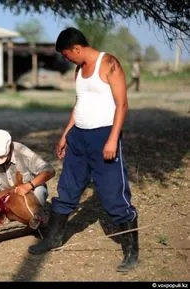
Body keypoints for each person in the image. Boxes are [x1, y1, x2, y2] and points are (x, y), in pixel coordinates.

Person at [28, 27, 139, 272]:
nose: (67, 60)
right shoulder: (79, 70)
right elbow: (80, 103)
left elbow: (122, 105)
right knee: (67, 187)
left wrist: (112, 139)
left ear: (77, 48)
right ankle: (53, 239)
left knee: (113, 195)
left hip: (103, 136)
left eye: (67, 55)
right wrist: (66, 134)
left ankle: (131, 251)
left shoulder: (109, 63)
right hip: (79, 136)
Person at [0, 129, 55, 212]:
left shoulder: (21, 151)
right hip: (2, 193)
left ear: (10, 148)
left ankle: (28, 211)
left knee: (39, 192)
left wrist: (29, 185)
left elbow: (49, 170)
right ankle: (9, 209)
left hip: (28, 192)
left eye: (2, 157)